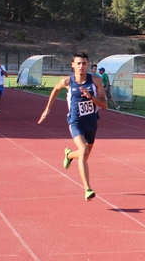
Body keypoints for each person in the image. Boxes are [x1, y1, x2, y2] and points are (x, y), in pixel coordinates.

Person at [38, 52, 107, 201]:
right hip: (75, 122)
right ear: (73, 64)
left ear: (88, 64)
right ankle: (87, 189)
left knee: (85, 155)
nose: (81, 66)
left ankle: (68, 155)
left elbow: (105, 105)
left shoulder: (96, 81)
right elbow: (55, 89)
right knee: (83, 151)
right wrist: (47, 109)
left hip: (91, 122)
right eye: (79, 63)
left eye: (84, 63)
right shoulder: (67, 82)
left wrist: (91, 97)